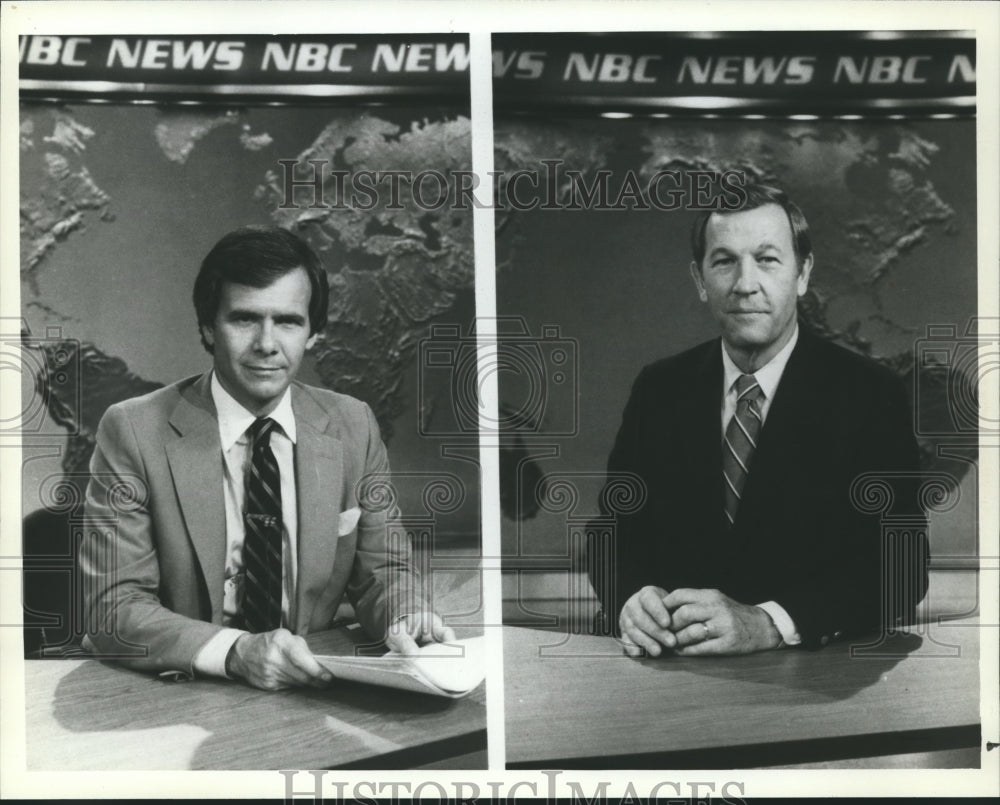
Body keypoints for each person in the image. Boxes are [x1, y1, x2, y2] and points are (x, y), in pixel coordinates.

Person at [81, 226, 453, 690]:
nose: (267, 343)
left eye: (288, 321)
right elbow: (113, 608)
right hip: (182, 690)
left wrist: (407, 613)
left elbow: (383, 571)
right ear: (207, 327)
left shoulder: (353, 425)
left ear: (312, 333)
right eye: (244, 319)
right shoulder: (134, 431)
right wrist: (236, 652)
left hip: (308, 687)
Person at [600, 184, 929, 657]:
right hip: (668, 675)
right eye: (724, 261)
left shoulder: (870, 394)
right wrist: (629, 598)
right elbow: (610, 534)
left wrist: (770, 623)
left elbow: (903, 571)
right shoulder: (659, 389)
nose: (744, 283)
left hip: (810, 682)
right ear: (699, 279)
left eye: (767, 259)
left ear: (802, 274)